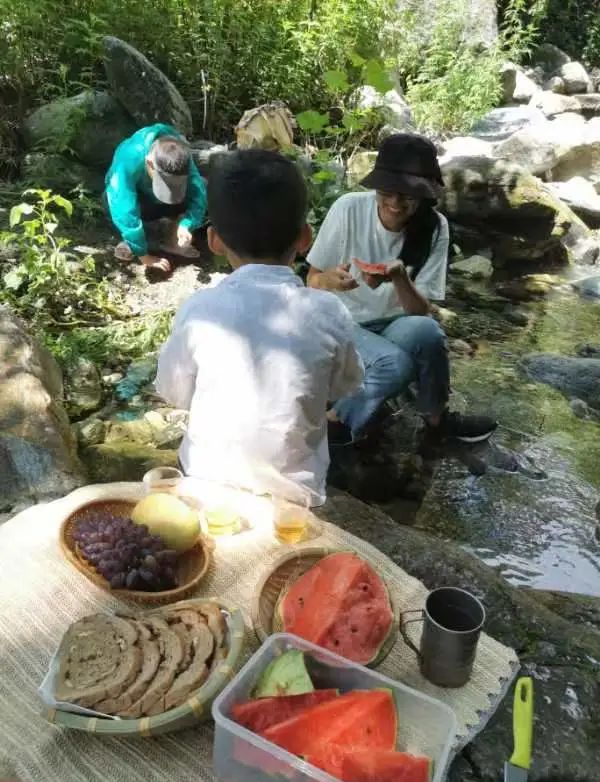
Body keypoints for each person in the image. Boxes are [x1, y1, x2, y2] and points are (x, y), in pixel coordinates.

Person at [155, 149, 364, 504]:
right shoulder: (330, 311)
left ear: (215, 240)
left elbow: (174, 392)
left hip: (206, 482)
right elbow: (345, 385)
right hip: (293, 496)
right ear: (304, 237)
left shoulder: (200, 309)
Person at [306, 133, 497, 445]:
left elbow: (422, 313)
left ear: (424, 196)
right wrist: (327, 280)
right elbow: (311, 282)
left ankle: (436, 420)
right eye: (388, 191)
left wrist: (399, 277)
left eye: (408, 196)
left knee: (429, 333)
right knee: (396, 364)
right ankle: (335, 423)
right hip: (341, 321)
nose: (395, 203)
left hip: (394, 324)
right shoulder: (348, 209)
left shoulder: (435, 228)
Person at [105, 123, 207, 279]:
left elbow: (197, 193)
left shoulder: (181, 155)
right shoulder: (130, 158)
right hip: (138, 199)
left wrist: (187, 224)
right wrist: (143, 255)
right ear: (150, 164)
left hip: (158, 203)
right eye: (165, 182)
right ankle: (132, 241)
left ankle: (171, 238)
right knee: (115, 203)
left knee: (204, 184)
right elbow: (123, 206)